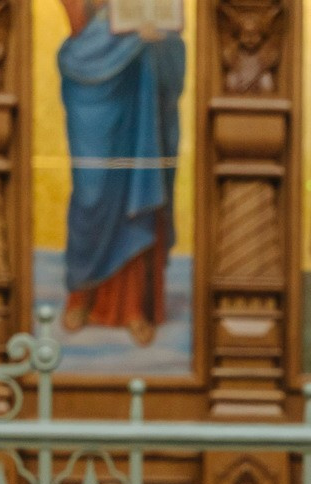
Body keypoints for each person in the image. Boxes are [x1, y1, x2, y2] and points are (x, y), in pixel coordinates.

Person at [56, 0, 186, 347]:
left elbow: (173, 36)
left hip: (141, 90)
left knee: (137, 194)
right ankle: (82, 293)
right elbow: (78, 42)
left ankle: (133, 307)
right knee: (91, 192)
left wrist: (160, 39)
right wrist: (129, 37)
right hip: (94, 89)